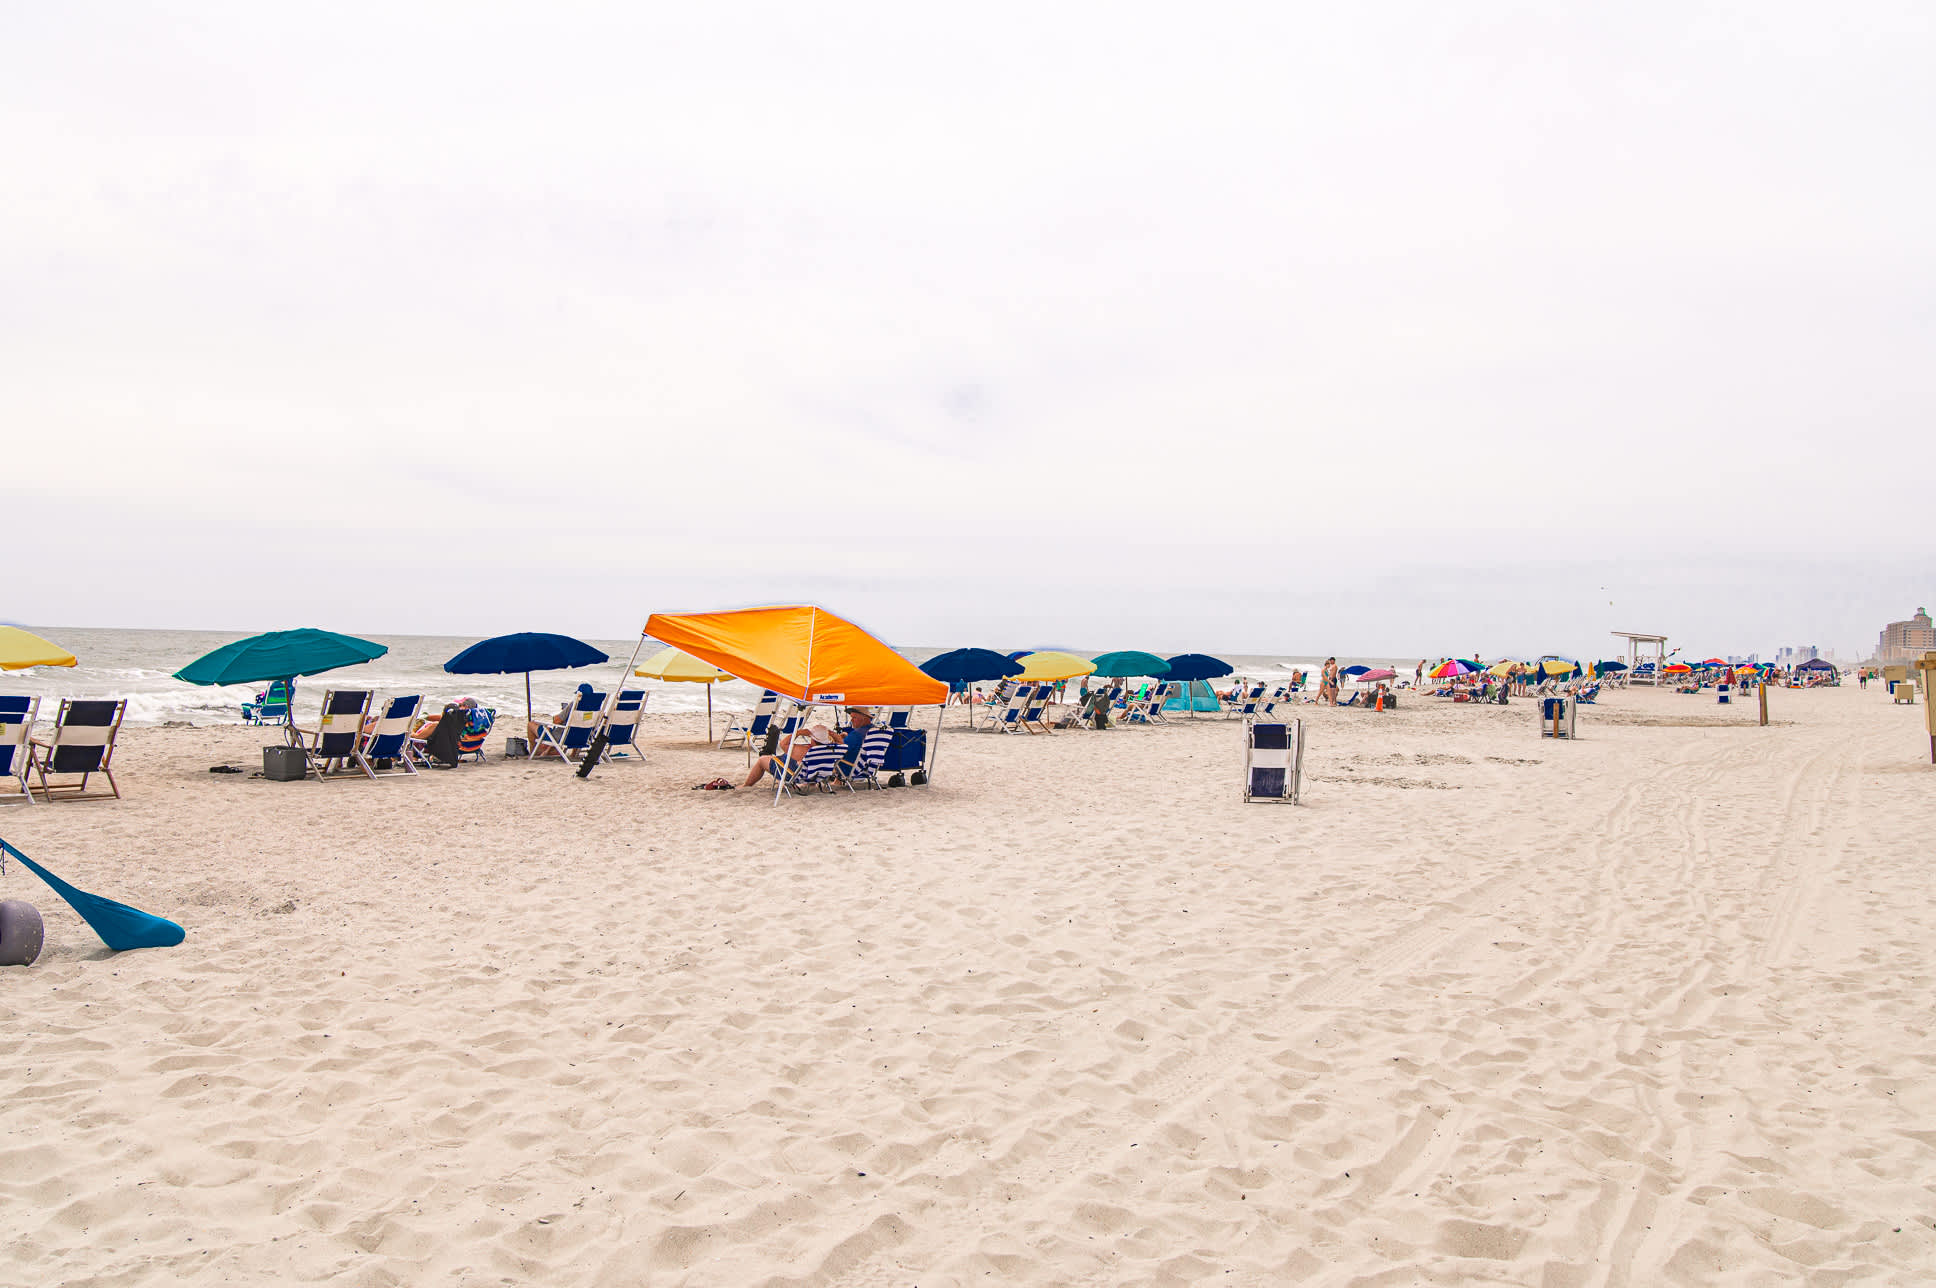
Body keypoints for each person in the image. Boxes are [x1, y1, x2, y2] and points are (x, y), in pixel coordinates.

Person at [744, 707, 873, 788]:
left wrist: (799, 733)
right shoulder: (833, 750)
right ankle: (810, 782)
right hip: (815, 775)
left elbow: (782, 744)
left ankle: (746, 785)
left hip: (795, 774)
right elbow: (843, 747)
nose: (852, 720)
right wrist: (836, 737)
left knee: (762, 760)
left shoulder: (804, 750)